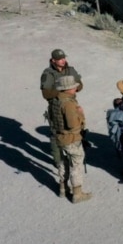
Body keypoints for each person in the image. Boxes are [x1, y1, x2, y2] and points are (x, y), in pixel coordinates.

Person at [40, 48, 83, 196]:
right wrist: (63, 92)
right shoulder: (48, 73)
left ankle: (64, 179)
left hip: (70, 104)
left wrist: (73, 88)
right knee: (56, 135)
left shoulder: (70, 69)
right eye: (59, 59)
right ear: (53, 60)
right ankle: (59, 163)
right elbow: (46, 94)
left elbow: (80, 85)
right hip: (56, 108)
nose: (62, 60)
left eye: (63, 58)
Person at [49, 75, 92, 203]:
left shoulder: (55, 101)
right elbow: (73, 125)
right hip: (71, 139)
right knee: (76, 164)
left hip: (59, 137)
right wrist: (80, 113)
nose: (75, 88)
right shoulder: (68, 103)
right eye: (73, 87)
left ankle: (63, 189)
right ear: (67, 89)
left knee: (63, 163)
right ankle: (77, 194)